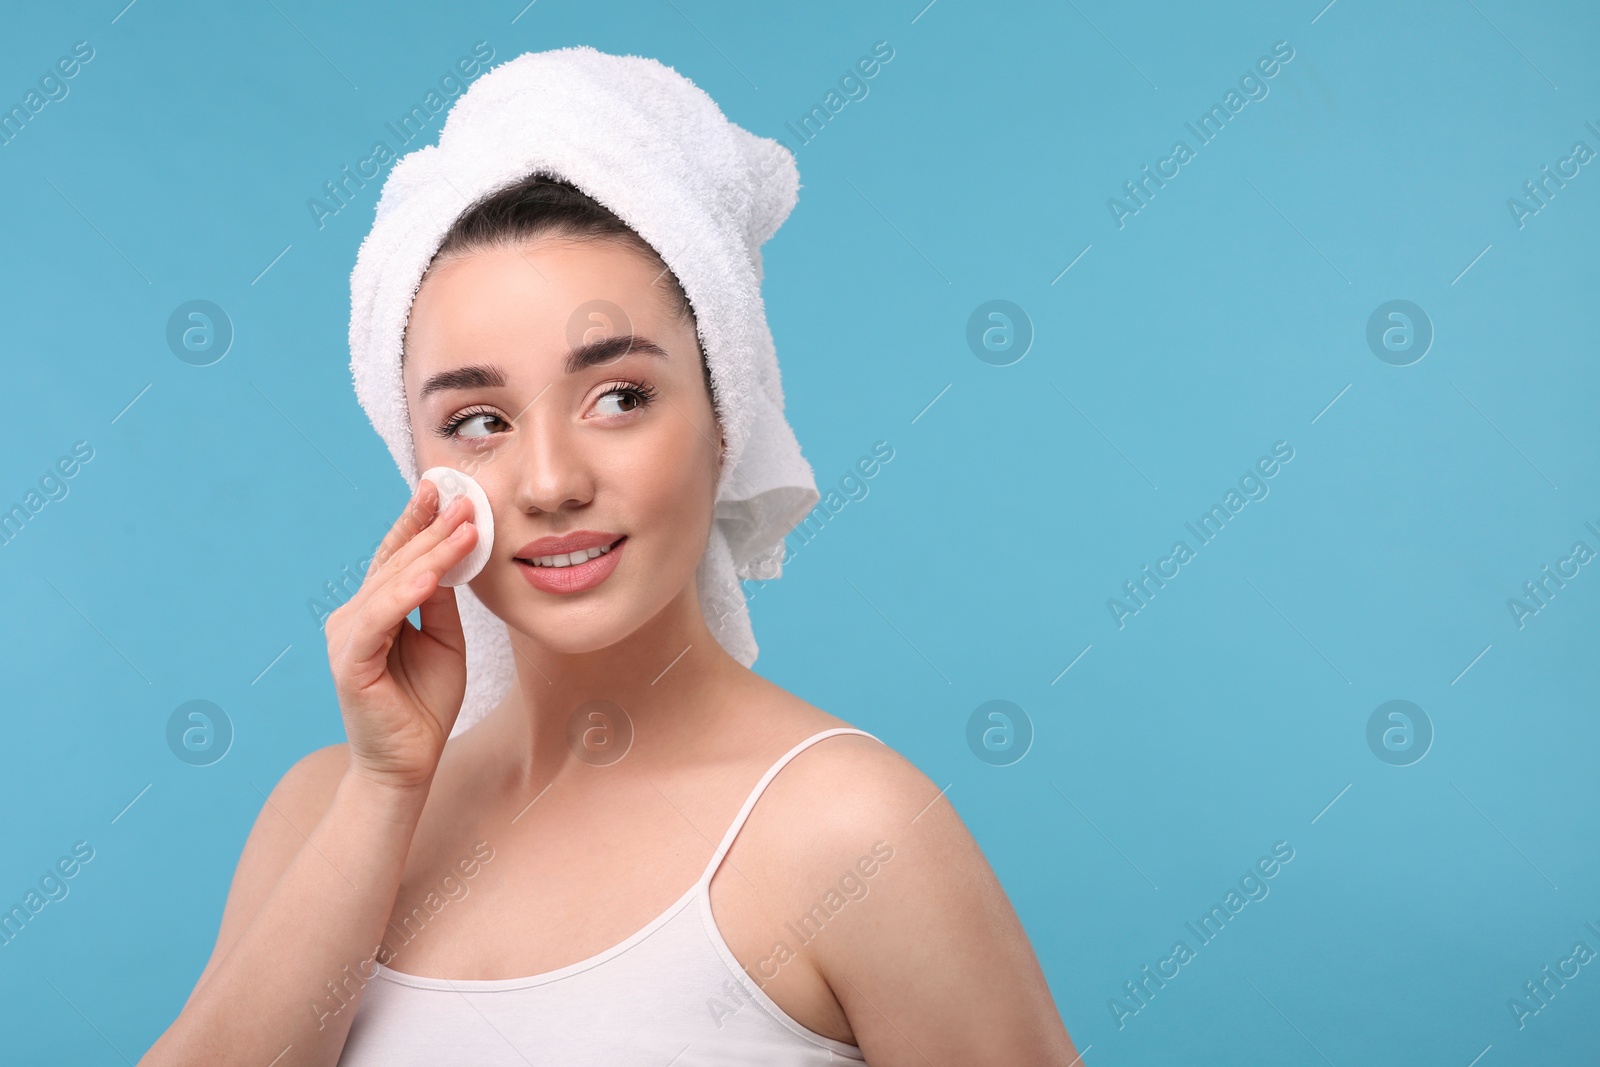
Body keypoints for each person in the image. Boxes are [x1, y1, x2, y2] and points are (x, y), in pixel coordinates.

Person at [141, 49, 1079, 1067]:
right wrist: (384, 789)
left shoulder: (853, 829)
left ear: (726, 413)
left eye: (619, 395)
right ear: (418, 468)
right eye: (479, 419)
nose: (549, 481)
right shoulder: (324, 810)